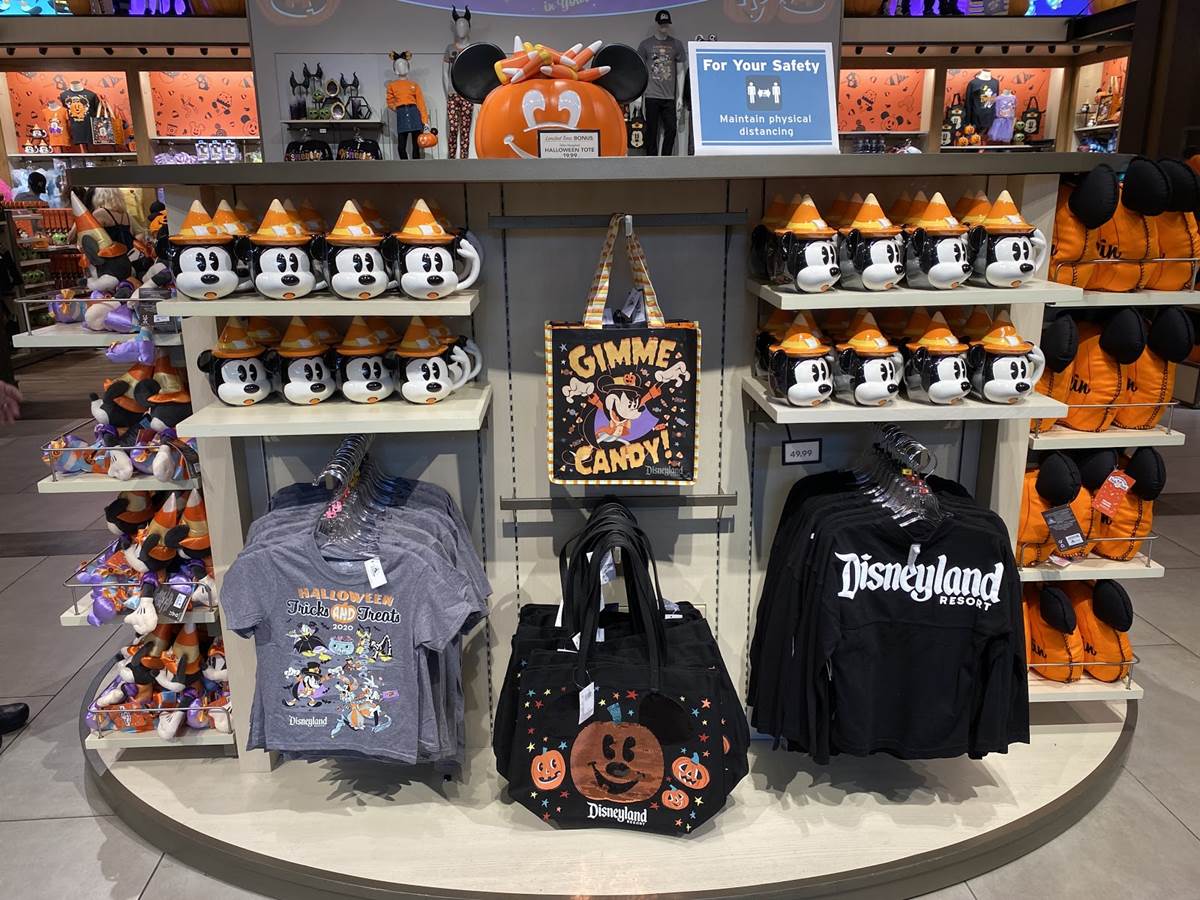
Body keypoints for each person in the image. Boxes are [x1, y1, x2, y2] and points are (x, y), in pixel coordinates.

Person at [637, 10, 687, 156]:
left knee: (671, 129)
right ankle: (651, 160)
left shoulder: (676, 45)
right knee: (651, 131)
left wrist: (679, 96)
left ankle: (666, 159)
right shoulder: (645, 45)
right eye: (661, 24)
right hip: (651, 95)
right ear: (657, 24)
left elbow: (680, 72)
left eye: (666, 24)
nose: (664, 27)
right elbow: (640, 71)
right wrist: (639, 96)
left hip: (669, 97)